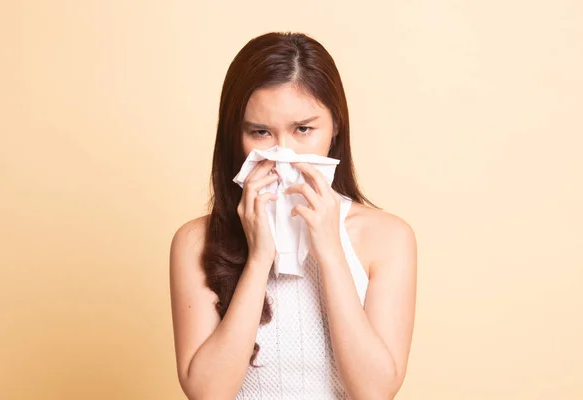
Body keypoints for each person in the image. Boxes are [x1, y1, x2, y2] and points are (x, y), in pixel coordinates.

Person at [170, 31, 417, 400]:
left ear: (335, 128)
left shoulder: (386, 238)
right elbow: (207, 394)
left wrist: (331, 251)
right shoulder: (196, 242)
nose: (283, 153)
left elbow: (375, 391)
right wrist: (258, 258)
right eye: (260, 132)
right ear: (235, 137)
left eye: (303, 129)